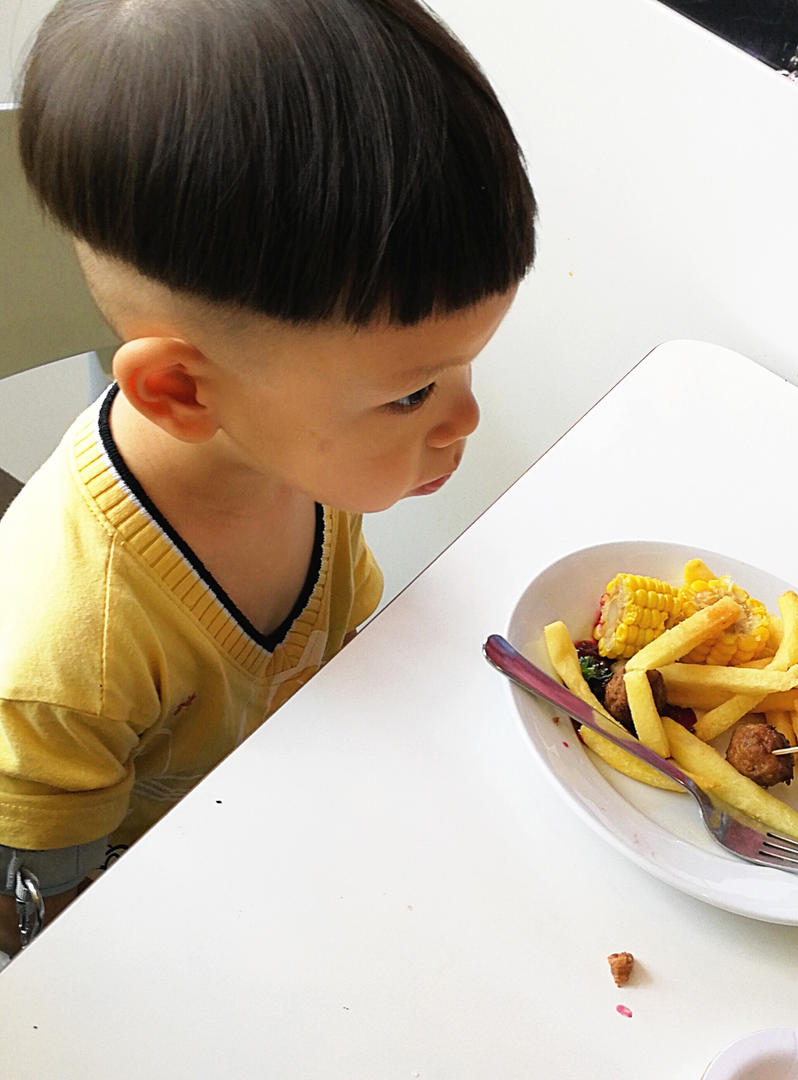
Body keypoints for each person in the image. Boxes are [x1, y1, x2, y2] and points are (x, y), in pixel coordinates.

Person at [0, 0, 536, 959]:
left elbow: (347, 662)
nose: (467, 420)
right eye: (413, 394)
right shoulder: (64, 654)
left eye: (464, 367)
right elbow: (48, 926)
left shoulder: (298, 458)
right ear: (178, 390)